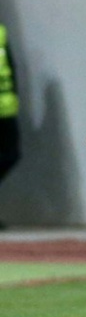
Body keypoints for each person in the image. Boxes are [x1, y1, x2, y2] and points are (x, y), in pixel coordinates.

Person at [0, 20, 19, 229]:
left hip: (6, 106)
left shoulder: (1, 31)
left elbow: (10, 67)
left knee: (12, 154)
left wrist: (15, 95)